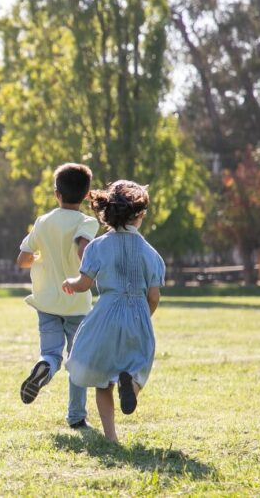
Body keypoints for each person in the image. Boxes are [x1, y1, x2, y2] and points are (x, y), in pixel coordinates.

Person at [62, 180, 165, 443]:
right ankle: (130, 385)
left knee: (102, 379)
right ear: (140, 215)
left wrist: (70, 283)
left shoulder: (96, 247)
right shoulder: (151, 254)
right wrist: (144, 315)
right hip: (138, 314)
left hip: (106, 314)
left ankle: (111, 438)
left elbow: (84, 284)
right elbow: (154, 296)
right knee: (139, 366)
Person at [16, 163, 98, 429]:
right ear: (87, 195)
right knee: (78, 361)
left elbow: (23, 259)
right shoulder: (87, 221)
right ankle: (76, 417)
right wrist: (84, 273)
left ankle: (44, 367)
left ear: (56, 194)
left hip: (46, 301)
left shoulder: (43, 221)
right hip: (76, 301)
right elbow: (82, 249)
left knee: (51, 353)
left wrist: (43, 258)